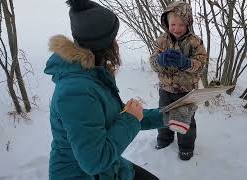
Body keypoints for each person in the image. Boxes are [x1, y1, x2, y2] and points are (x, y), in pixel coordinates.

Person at [44, 0, 163, 179]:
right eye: (114, 37)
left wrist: (168, 115)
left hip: (109, 169)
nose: (116, 43)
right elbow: (94, 161)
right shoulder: (76, 92)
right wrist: (131, 119)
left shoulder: (93, 73)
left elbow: (118, 115)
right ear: (104, 43)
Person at [149, 1, 208, 161]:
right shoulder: (161, 40)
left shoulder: (195, 42)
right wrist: (159, 61)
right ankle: (164, 139)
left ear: (188, 23)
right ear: (167, 23)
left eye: (181, 24)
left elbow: (201, 64)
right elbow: (153, 62)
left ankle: (186, 147)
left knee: (186, 121)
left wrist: (186, 63)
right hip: (166, 89)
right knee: (164, 116)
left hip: (187, 91)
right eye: (173, 24)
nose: (176, 28)